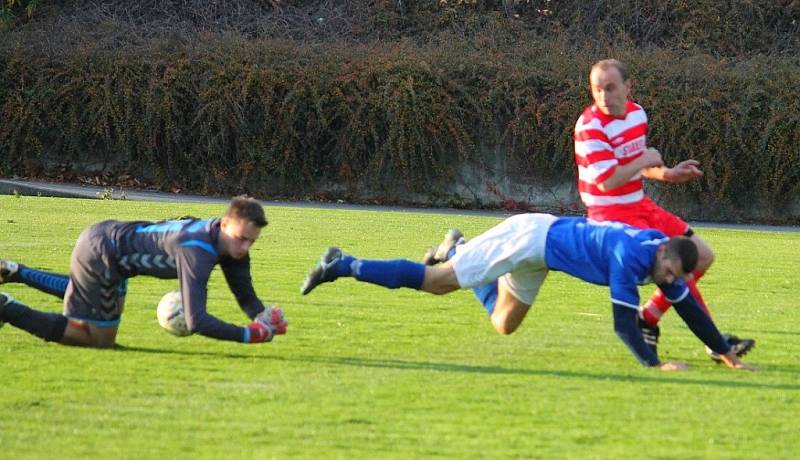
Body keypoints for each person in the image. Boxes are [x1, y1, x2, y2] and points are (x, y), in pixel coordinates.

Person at [300, 213, 754, 371]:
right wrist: (655, 366)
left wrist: (723, 351)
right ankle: (344, 264)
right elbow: (623, 323)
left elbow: (689, 306)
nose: (669, 281)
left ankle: (456, 246)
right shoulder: (631, 256)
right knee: (438, 284)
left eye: (674, 278)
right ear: (664, 256)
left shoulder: (664, 259)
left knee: (504, 324)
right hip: (528, 239)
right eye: (670, 273)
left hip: (543, 255)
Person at [573, 58, 754, 361]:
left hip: (639, 204)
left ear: (628, 87)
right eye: (597, 89)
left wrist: (666, 173)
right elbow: (606, 181)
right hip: (611, 217)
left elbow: (638, 167)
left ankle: (649, 318)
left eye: (611, 88)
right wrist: (645, 161)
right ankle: (715, 343)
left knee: (702, 256)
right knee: (672, 270)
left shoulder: (637, 115)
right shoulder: (590, 126)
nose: (603, 96)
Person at [0, 196, 287, 347]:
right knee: (95, 338)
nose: (245, 247)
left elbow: (244, 293)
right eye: (241, 238)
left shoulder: (227, 242)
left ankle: (16, 272)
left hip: (112, 248)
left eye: (252, 241)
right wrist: (249, 335)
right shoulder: (197, 250)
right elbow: (196, 319)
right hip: (103, 252)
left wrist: (261, 317)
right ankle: (7, 309)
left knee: (97, 300)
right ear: (225, 224)